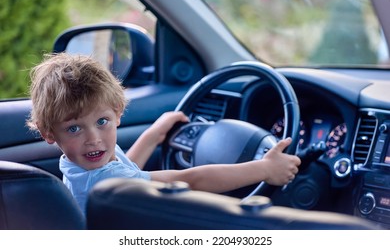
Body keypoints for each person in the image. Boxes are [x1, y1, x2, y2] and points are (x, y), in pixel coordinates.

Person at [27, 53, 301, 214]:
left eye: (102, 121)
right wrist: (265, 169)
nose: (93, 138)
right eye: (74, 128)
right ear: (49, 133)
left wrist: (153, 134)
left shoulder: (81, 160)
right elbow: (190, 179)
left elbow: (127, 170)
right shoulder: (105, 173)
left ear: (118, 113)